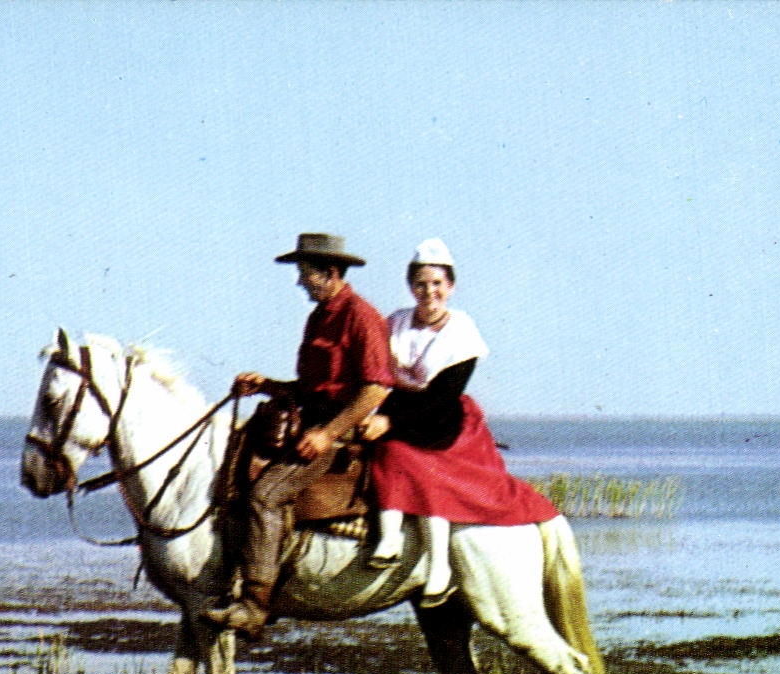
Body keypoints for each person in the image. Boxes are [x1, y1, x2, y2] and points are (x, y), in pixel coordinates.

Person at [203, 233, 395, 638]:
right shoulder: (319, 316)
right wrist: (267, 385)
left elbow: (376, 387)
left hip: (337, 434)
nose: (299, 282)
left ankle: (255, 605)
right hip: (311, 421)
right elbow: (313, 386)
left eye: (305, 274)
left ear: (329, 273)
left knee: (266, 495)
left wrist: (328, 433)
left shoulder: (361, 316)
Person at [359, 238, 559, 606]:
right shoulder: (396, 324)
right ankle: (389, 535)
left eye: (436, 284)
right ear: (410, 286)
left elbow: (443, 393)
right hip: (398, 402)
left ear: (450, 287)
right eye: (421, 283)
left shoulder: (461, 332)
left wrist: (389, 422)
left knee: (411, 458)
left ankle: (439, 565)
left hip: (439, 413)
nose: (428, 291)